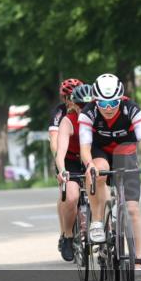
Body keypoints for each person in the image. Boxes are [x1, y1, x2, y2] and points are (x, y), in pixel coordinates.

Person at [79, 73, 141, 281]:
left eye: (113, 102)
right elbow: (85, 148)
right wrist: (89, 165)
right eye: (103, 103)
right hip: (100, 151)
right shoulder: (88, 113)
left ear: (120, 98)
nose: (108, 108)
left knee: (132, 210)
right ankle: (97, 221)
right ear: (95, 100)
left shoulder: (132, 109)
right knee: (98, 170)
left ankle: (137, 265)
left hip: (125, 152)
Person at [55, 82, 93, 263]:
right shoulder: (68, 121)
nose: (84, 108)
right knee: (71, 196)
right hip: (71, 161)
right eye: (81, 105)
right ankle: (68, 236)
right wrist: (62, 170)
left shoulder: (98, 118)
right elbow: (60, 152)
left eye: (88, 105)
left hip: (90, 160)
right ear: (74, 105)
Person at [49, 78, 84, 261]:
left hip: (86, 156)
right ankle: (67, 234)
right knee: (68, 195)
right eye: (69, 97)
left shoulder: (88, 109)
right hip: (67, 157)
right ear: (64, 98)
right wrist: (59, 161)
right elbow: (54, 139)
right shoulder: (60, 112)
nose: (73, 100)